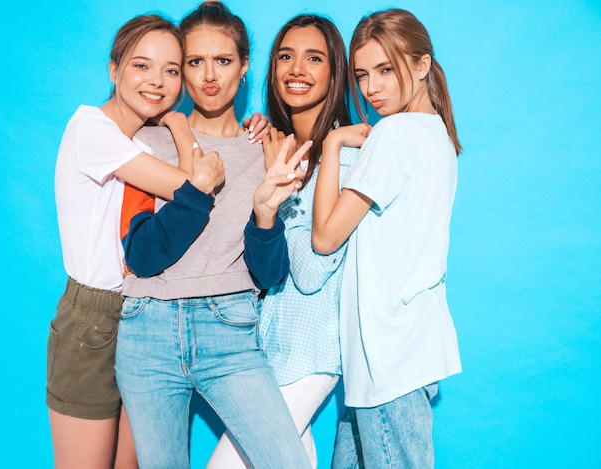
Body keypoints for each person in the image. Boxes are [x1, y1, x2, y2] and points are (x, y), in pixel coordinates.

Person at [114, 2, 312, 467]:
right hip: (148, 332)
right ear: (180, 69)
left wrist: (265, 213)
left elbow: (268, 274)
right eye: (195, 62)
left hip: (230, 330)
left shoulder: (267, 148)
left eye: (223, 61)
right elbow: (141, 257)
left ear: (244, 67)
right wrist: (196, 187)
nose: (209, 76)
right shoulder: (147, 142)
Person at [47, 14, 228, 469]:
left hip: (142, 316)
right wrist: (183, 128)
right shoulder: (92, 131)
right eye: (141, 66)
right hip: (92, 318)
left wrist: (178, 131)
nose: (158, 81)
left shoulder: (143, 145)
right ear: (114, 69)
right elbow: (191, 185)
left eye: (171, 70)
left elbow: (187, 190)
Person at [311, 9, 463, 468]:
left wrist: (332, 144)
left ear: (422, 65)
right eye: (362, 74)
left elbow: (324, 237)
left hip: (388, 354)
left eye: (386, 69)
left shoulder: (394, 134)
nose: (372, 87)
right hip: (404, 348)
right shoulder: (439, 136)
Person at [207, 14, 357, 469]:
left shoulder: (346, 156)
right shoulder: (274, 144)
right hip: (268, 349)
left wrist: (284, 187)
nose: (296, 69)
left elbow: (312, 270)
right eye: (286, 56)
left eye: (314, 58)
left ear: (335, 74)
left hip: (310, 355)